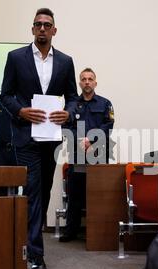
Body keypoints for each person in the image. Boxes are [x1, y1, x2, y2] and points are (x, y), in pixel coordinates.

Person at [0, 8, 77, 269]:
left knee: (43, 190)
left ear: (54, 30)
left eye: (47, 25)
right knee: (32, 190)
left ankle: (30, 240)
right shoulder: (15, 58)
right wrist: (20, 111)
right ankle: (36, 256)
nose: (42, 28)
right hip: (26, 137)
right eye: (38, 25)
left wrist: (69, 112)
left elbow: (74, 97)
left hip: (52, 138)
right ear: (32, 30)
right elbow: (5, 95)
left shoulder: (66, 62)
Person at [59, 68, 114, 242]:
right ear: (80, 83)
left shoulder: (105, 103)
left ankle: (100, 232)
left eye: (90, 79)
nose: (87, 82)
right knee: (75, 194)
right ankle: (71, 231)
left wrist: (91, 139)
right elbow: (65, 126)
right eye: (84, 79)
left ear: (95, 82)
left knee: (99, 193)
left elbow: (108, 125)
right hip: (78, 154)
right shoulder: (72, 105)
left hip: (99, 154)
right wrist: (80, 140)